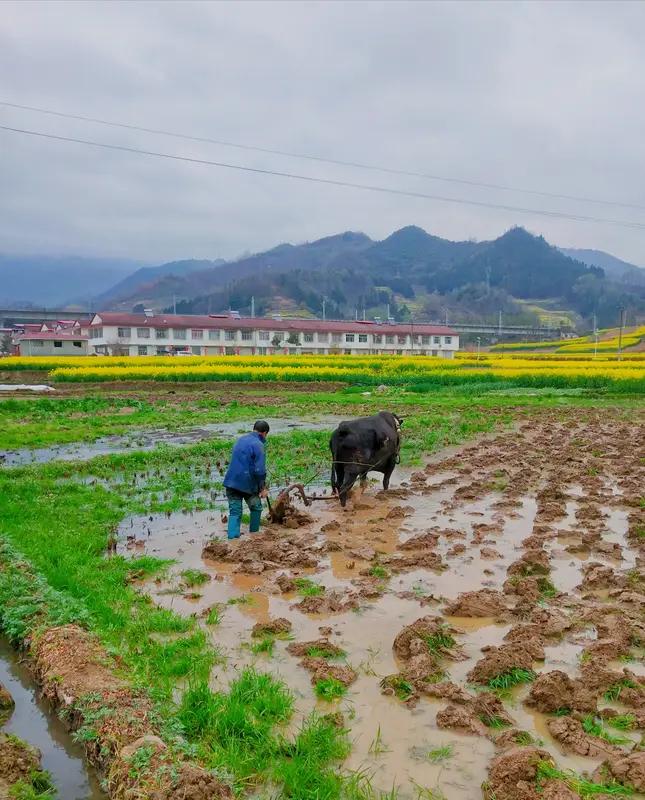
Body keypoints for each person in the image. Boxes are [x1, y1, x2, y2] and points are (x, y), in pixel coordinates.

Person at [223, 420, 270, 540]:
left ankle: (232, 541)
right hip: (248, 485)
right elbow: (259, 470)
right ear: (264, 433)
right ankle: (254, 536)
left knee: (235, 512)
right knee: (256, 507)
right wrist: (262, 488)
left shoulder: (240, 440)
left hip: (231, 483)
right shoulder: (258, 444)